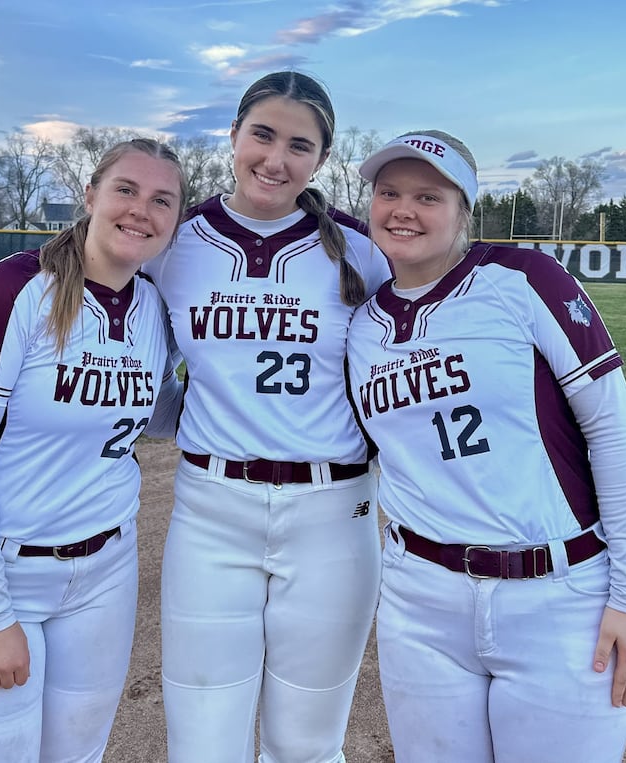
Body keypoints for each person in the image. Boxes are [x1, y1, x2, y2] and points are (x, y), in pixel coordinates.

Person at [345, 130, 626, 762]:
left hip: (556, 593)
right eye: (389, 193)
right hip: (420, 601)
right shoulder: (361, 327)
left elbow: (613, 432)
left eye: (428, 195)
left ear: (463, 209)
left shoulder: (522, 278)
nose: (403, 209)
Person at [143, 71, 392, 763]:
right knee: (202, 740)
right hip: (211, 508)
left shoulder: (360, 250)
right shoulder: (174, 243)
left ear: (321, 159)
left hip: (333, 511)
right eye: (262, 134)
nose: (275, 159)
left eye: (299, 145)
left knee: (306, 745)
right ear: (233, 133)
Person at [0, 137, 187, 762]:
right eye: (126, 189)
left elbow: (155, 417)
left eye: (161, 200)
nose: (140, 210)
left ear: (175, 220)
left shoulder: (154, 307)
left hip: (104, 576)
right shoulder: (14, 291)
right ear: (90, 195)